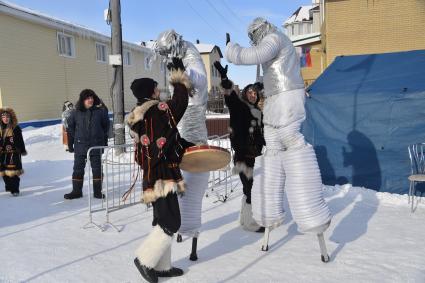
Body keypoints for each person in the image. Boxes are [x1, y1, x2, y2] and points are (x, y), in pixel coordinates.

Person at [225, 18, 331, 236]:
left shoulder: (275, 39)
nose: (254, 41)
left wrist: (231, 50)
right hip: (276, 98)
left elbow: (254, 55)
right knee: (272, 148)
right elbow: (271, 72)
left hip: (286, 97)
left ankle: (311, 212)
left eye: (253, 36)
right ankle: (267, 212)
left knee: (291, 140)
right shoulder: (276, 46)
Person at [127, 58, 190, 283]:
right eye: (155, 87)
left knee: (163, 220)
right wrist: (178, 75)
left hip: (155, 175)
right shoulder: (155, 111)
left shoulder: (139, 115)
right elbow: (180, 103)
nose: (158, 90)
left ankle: (162, 267)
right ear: (149, 92)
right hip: (161, 176)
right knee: (171, 222)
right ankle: (144, 260)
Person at [155, 30, 210, 261]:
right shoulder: (159, 115)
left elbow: (199, 79)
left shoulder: (190, 55)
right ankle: (160, 255)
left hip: (192, 118)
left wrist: (183, 72)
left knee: (194, 180)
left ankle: (183, 231)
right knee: (184, 182)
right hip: (182, 122)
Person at [214, 61, 266, 232]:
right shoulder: (239, 107)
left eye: (255, 93)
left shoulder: (259, 113)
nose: (252, 95)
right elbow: (229, 94)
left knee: (249, 189)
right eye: (249, 92)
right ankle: (251, 223)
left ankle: (244, 220)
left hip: (255, 158)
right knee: (251, 189)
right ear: (244, 93)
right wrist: (224, 76)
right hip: (243, 158)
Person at [64, 89, 109, 200]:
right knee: (78, 169)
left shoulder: (100, 112)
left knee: (97, 169)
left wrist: (103, 143)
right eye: (88, 98)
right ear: (83, 100)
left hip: (96, 145)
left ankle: (97, 192)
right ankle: (76, 191)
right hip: (80, 146)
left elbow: (106, 127)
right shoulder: (76, 112)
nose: (91, 100)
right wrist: (73, 142)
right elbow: (70, 128)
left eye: (92, 97)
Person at [0, 108, 27, 196]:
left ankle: (15, 190)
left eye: (7, 117)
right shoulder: (0, 129)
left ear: (11, 118)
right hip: (2, 154)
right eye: (3, 117)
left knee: (13, 172)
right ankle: (9, 186)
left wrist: (22, 150)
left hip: (13, 153)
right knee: (3, 172)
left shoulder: (15, 128)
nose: (5, 119)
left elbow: (20, 140)